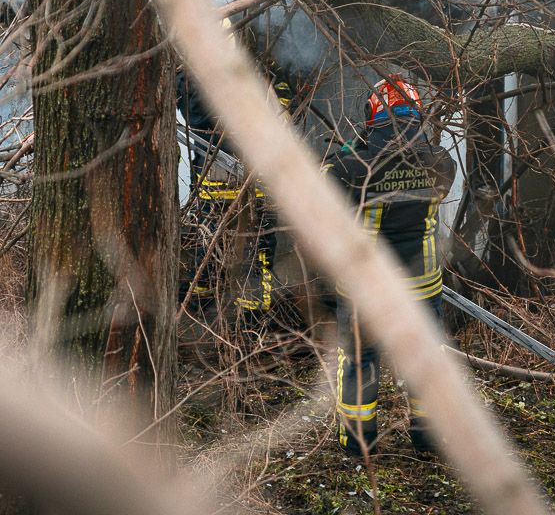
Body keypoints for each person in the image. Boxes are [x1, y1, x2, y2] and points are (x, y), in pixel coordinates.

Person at [325, 75, 457, 456]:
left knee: (360, 359)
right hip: (422, 285)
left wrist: (351, 151)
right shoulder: (440, 163)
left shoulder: (353, 168)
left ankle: (358, 442)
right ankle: (428, 439)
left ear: (374, 117)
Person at [177, 64, 298, 318]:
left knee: (211, 240)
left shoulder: (199, 82)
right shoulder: (263, 83)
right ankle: (249, 316)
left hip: (221, 184)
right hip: (250, 184)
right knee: (254, 249)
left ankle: (208, 301)